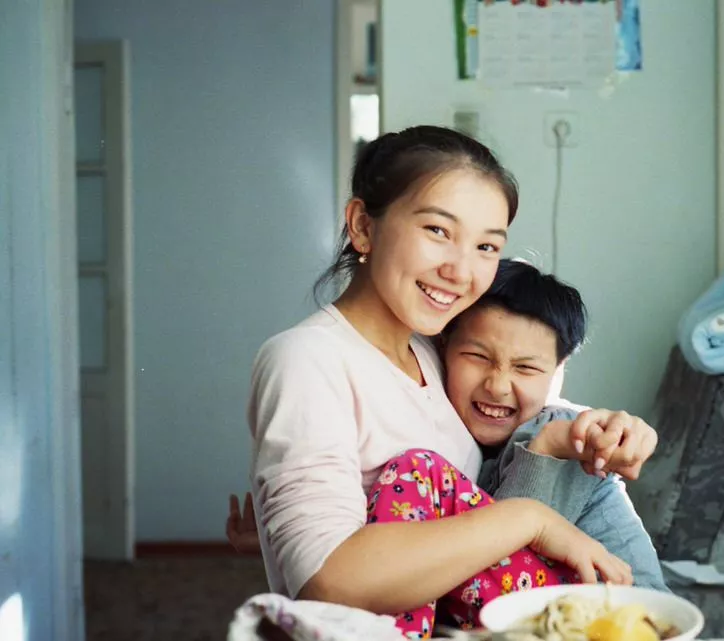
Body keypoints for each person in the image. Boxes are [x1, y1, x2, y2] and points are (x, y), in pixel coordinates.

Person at [245, 126, 658, 636]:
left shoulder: (430, 347)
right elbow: (328, 580)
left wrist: (611, 431)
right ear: (363, 226)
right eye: (438, 231)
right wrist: (532, 520)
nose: (461, 271)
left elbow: (511, 424)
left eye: (486, 246)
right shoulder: (307, 357)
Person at [230, 259, 666, 593]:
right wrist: (281, 537)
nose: (498, 386)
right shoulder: (444, 417)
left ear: (558, 371)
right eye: (477, 357)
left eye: (527, 368)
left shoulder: (568, 437)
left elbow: (492, 575)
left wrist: (547, 452)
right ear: (442, 349)